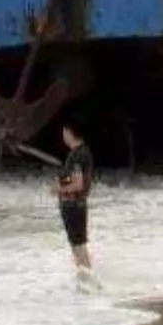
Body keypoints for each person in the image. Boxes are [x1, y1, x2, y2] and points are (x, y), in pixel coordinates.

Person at [58, 121, 96, 283]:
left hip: (73, 205)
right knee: (79, 244)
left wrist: (58, 189)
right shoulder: (84, 152)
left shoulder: (76, 155)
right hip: (79, 204)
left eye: (64, 132)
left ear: (69, 132)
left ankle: (87, 281)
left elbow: (77, 184)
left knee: (78, 246)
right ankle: (86, 279)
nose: (63, 136)